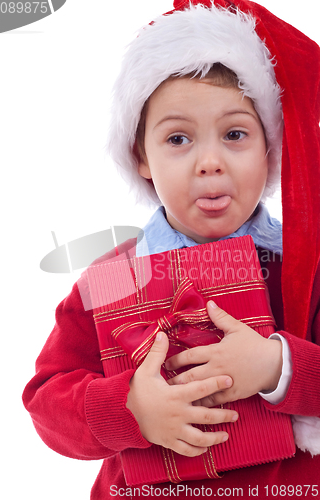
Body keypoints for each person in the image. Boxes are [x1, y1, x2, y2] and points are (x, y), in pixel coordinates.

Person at [23, 1, 320, 498]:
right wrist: (130, 408)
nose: (209, 162)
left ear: (270, 149)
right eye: (178, 138)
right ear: (141, 156)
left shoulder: (303, 267)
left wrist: (278, 366)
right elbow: (47, 404)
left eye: (235, 134)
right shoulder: (118, 276)